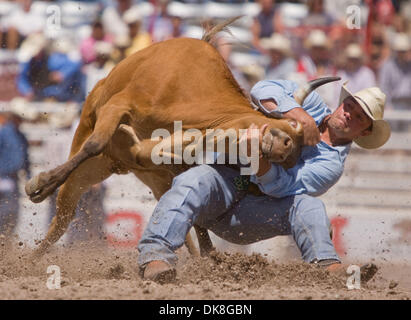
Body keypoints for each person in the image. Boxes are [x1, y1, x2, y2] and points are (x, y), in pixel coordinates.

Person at [137, 80, 391, 283]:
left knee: (309, 206)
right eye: (349, 106)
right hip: (225, 177)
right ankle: (156, 257)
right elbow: (262, 89)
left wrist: (256, 159)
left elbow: (282, 187)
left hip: (252, 211)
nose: (349, 115)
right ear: (342, 102)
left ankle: (327, 266)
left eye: (359, 118)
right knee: (193, 180)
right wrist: (299, 115)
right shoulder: (310, 104)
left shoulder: (331, 165)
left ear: (364, 132)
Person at [17, 34, 85, 102]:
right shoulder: (27, 63)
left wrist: (62, 73)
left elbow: (75, 64)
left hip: (59, 96)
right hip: (39, 96)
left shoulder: (53, 60)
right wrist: (27, 91)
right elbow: (22, 79)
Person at [0, 111, 27, 240]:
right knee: (6, 210)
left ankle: (6, 240)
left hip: (13, 177)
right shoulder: (4, 133)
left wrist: (28, 175)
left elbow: (25, 158)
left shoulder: (20, 135)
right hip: (4, 176)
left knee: (12, 211)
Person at [379, 33, 411, 111]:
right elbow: (384, 88)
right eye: (400, 51)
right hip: (393, 104)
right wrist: (387, 105)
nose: (402, 54)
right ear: (396, 51)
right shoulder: (387, 66)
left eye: (404, 51)